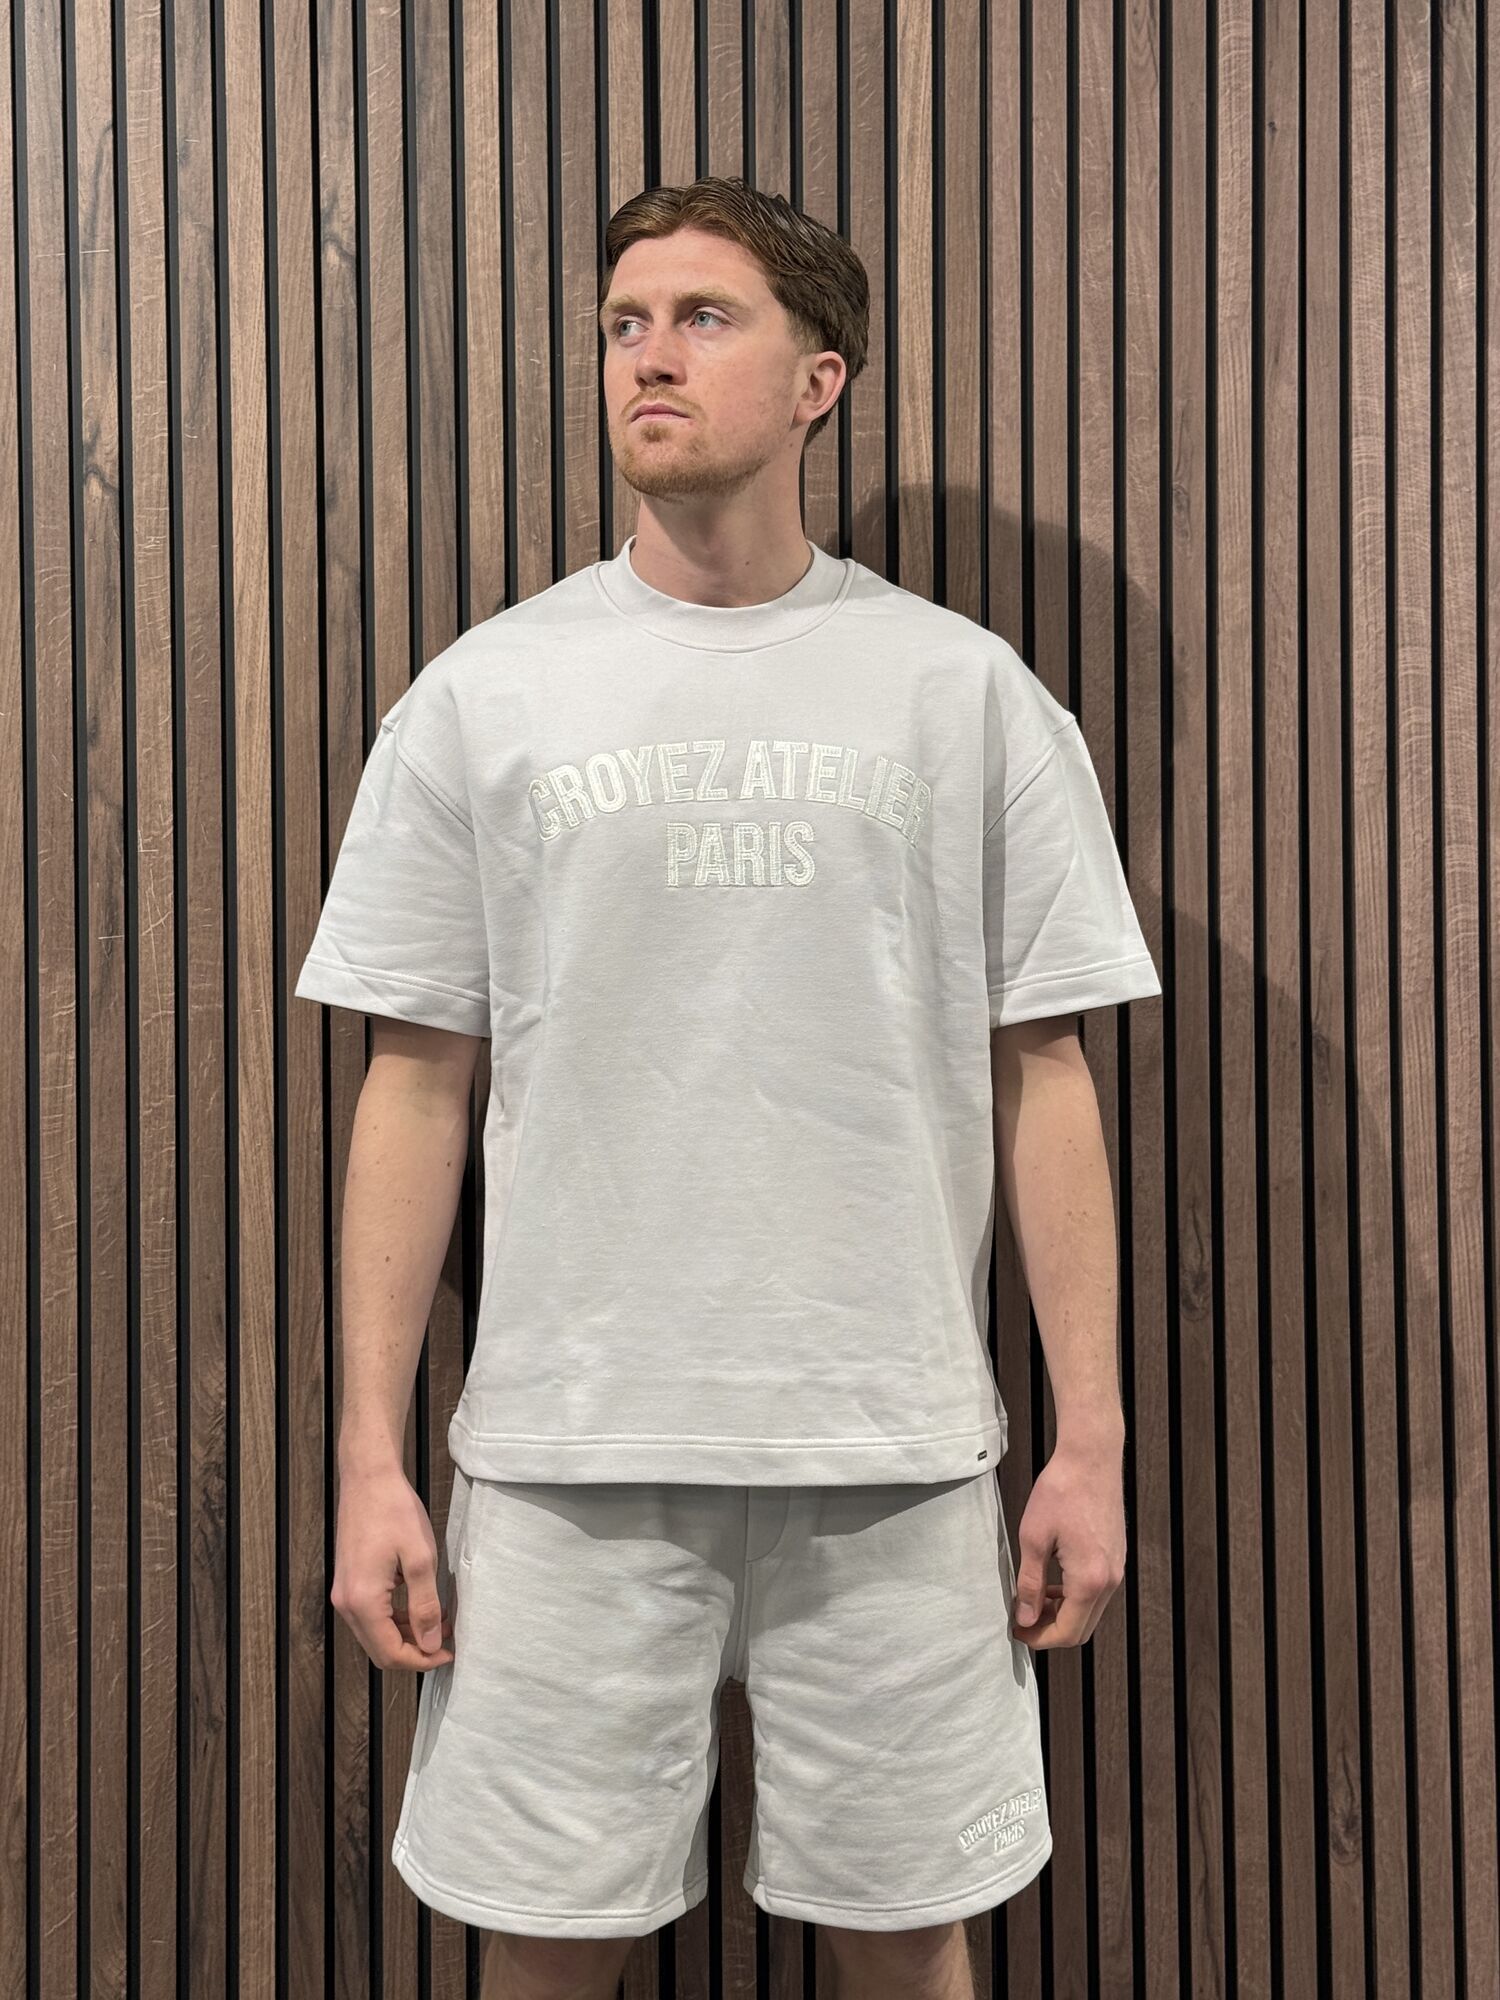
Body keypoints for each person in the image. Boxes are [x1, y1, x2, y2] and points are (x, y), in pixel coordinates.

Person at [298, 175, 1161, 2000]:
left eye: (704, 318)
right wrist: (369, 1459)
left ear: (819, 378)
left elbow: (1045, 1072)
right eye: (625, 323)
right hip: (564, 1455)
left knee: (907, 1944)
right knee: (543, 1952)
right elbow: (414, 1085)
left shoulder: (964, 694)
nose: (649, 358)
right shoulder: (484, 695)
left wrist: (1087, 1439)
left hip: (892, 1448)